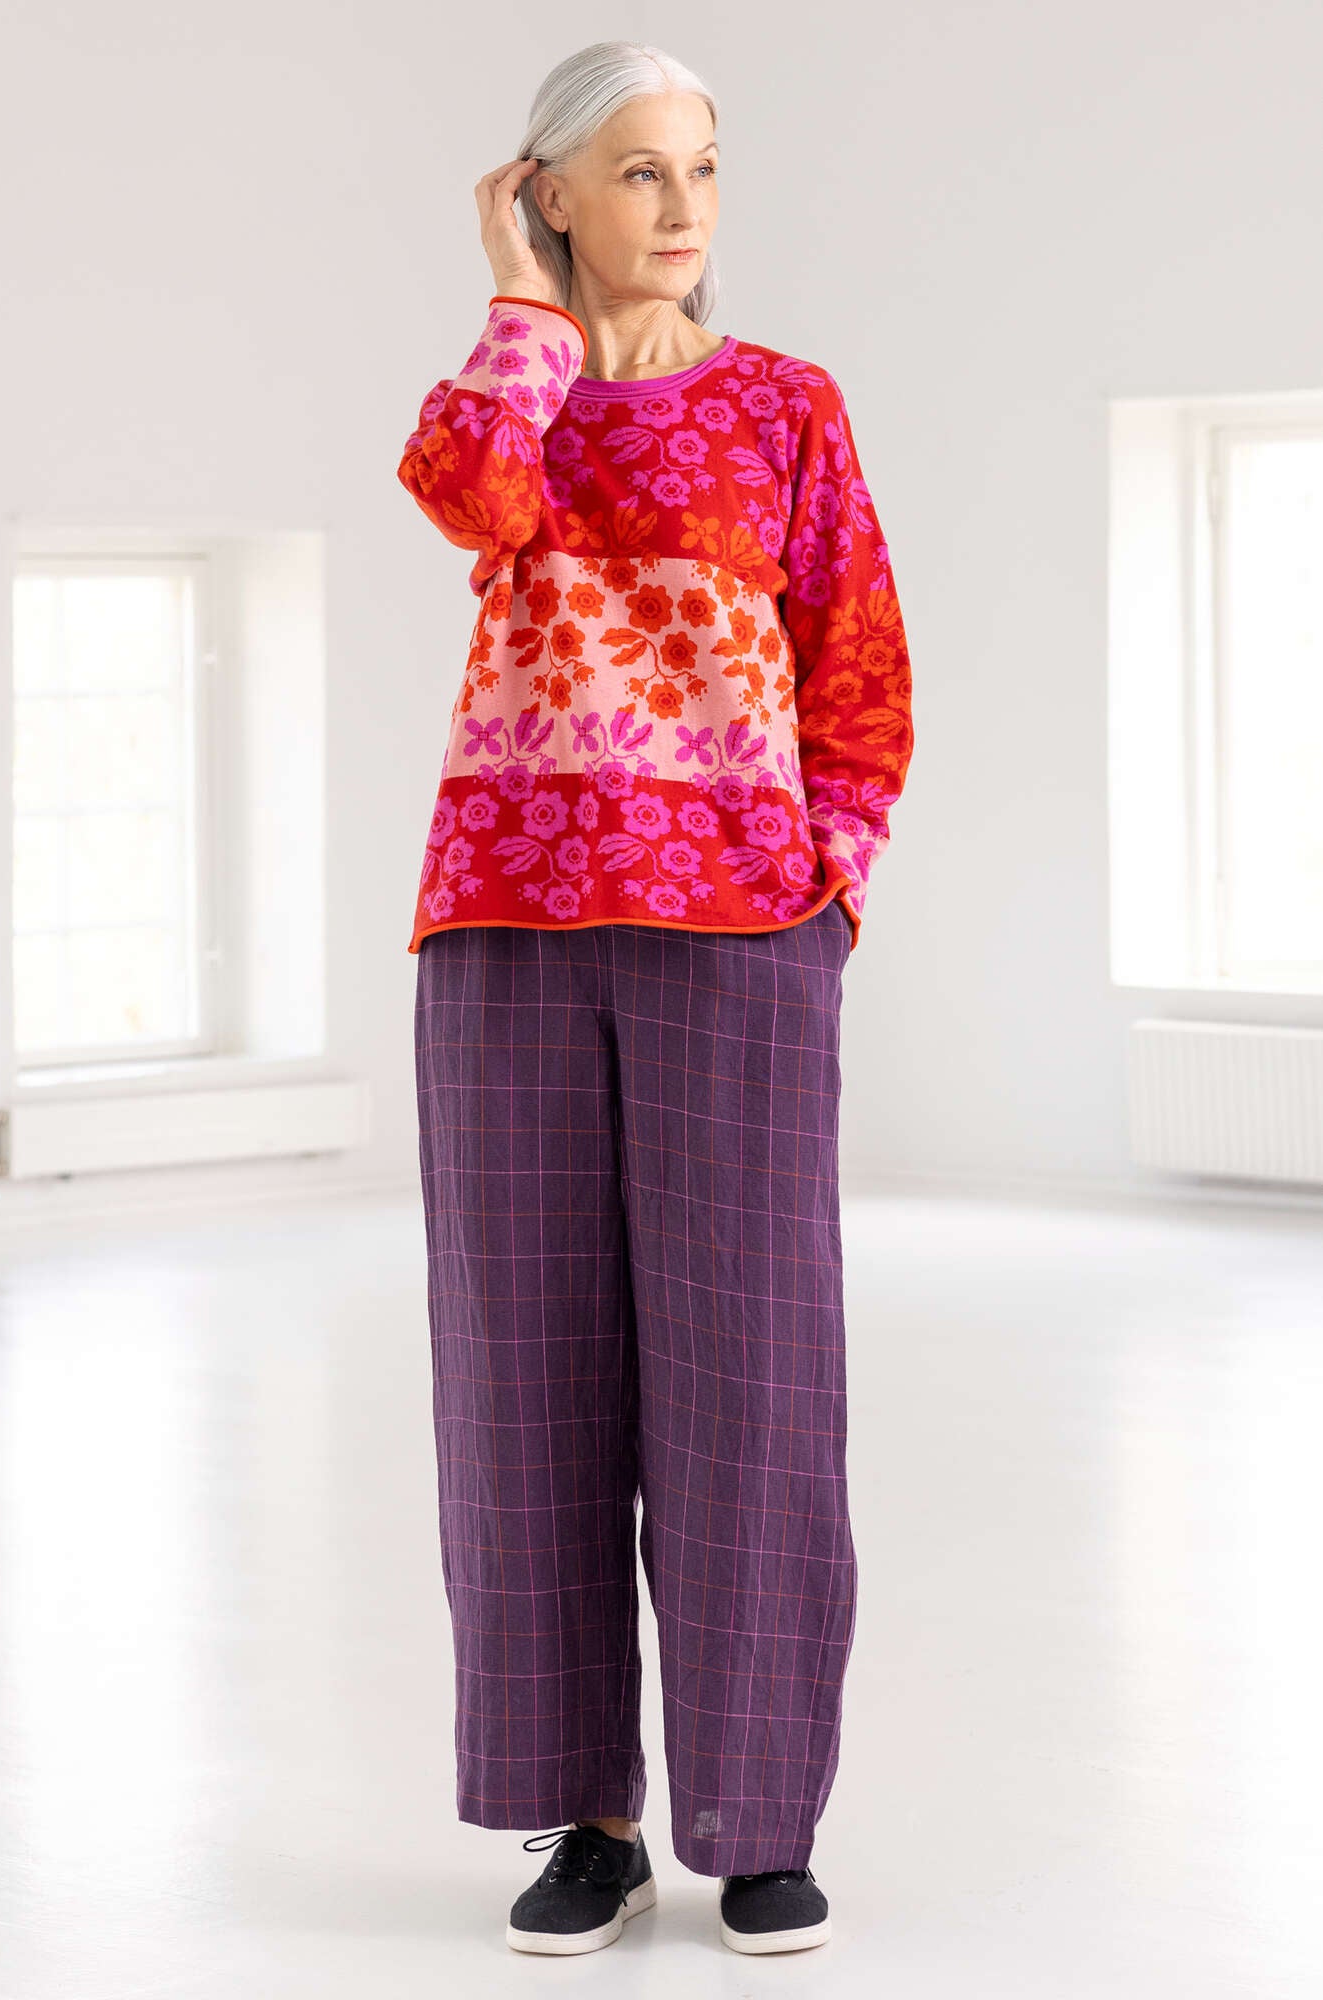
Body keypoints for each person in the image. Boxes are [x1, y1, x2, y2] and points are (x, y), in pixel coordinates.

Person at [398, 38, 913, 1959]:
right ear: (547, 193)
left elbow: (859, 668)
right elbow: (465, 502)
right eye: (634, 171)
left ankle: (758, 1822)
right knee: (522, 1389)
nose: (682, 204)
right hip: (506, 935)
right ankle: (587, 1822)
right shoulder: (504, 403)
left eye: (700, 166)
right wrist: (519, 307)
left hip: (738, 938)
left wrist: (824, 885)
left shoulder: (784, 404)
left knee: (750, 1385)